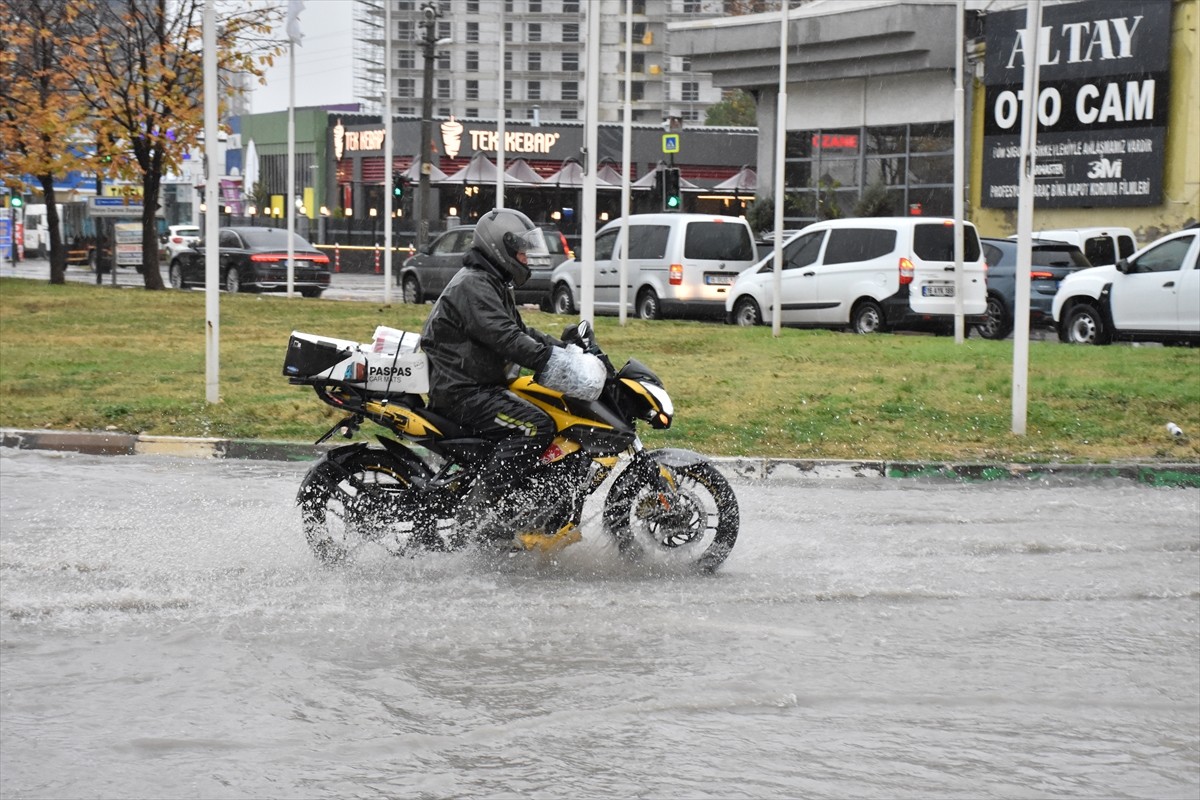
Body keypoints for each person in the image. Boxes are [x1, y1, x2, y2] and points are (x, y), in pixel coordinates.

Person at [420, 208, 602, 542]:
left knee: (544, 411)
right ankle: (479, 516)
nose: (526, 258)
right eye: (521, 251)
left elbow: (520, 330)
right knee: (535, 426)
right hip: (463, 392)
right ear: (498, 248)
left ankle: (522, 506)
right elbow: (507, 340)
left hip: (479, 385)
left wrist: (563, 348)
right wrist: (550, 361)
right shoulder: (474, 286)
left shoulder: (490, 282)